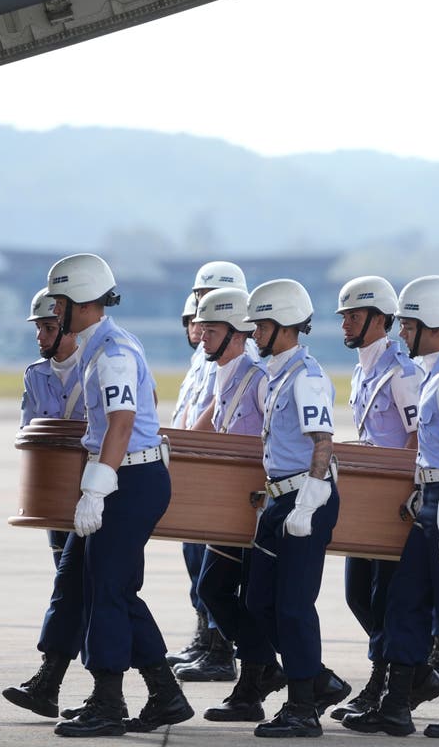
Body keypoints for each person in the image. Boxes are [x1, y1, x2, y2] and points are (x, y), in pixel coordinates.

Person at [343, 274, 439, 738]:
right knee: (403, 602)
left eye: (408, 325)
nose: (402, 333)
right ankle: (395, 705)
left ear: (431, 324)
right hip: (435, 497)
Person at [45, 252, 193, 738]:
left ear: (78, 303)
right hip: (124, 476)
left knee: (107, 590)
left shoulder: (111, 351)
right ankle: (165, 693)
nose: (54, 309)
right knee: (99, 585)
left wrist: (96, 487)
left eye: (59, 301)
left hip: (128, 481)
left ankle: (108, 702)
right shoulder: (102, 345)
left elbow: (125, 421)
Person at [328, 276, 439, 722]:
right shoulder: (364, 369)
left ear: (381, 320)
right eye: (343, 316)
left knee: (384, 598)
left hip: (396, 504)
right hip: (368, 501)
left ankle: (384, 683)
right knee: (358, 595)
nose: (345, 324)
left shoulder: (403, 372)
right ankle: (413, 675)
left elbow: (417, 439)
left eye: (354, 317)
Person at [241, 278, 350, 738]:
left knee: (292, 606)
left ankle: (303, 707)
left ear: (280, 326)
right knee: (259, 601)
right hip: (282, 497)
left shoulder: (305, 375)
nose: (252, 335)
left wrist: (309, 497)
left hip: (307, 498)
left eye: (259, 326)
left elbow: (322, 441)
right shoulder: (280, 373)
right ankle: (319, 679)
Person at [178, 289, 276, 701]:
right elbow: (202, 432)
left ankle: (263, 677)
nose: (200, 335)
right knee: (214, 590)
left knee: (235, 594)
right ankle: (262, 673)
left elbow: (279, 443)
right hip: (228, 507)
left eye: (211, 330)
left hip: (253, 508)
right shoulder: (228, 373)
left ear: (238, 334)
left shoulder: (257, 377)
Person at [2, 286, 89, 719]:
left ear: (70, 328)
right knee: (74, 589)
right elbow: (29, 432)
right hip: (57, 499)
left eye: (49, 327)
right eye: (38, 327)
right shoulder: (36, 374)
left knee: (81, 592)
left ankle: (55, 682)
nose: (41, 335)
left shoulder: (96, 369)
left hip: (94, 495)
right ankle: (89, 689)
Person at [168, 261, 248, 681]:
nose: (200, 308)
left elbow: (217, 410)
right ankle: (205, 638)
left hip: (211, 466)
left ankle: (220, 650)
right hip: (194, 463)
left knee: (213, 566)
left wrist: (188, 446)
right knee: (194, 556)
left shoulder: (240, 350)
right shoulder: (204, 354)